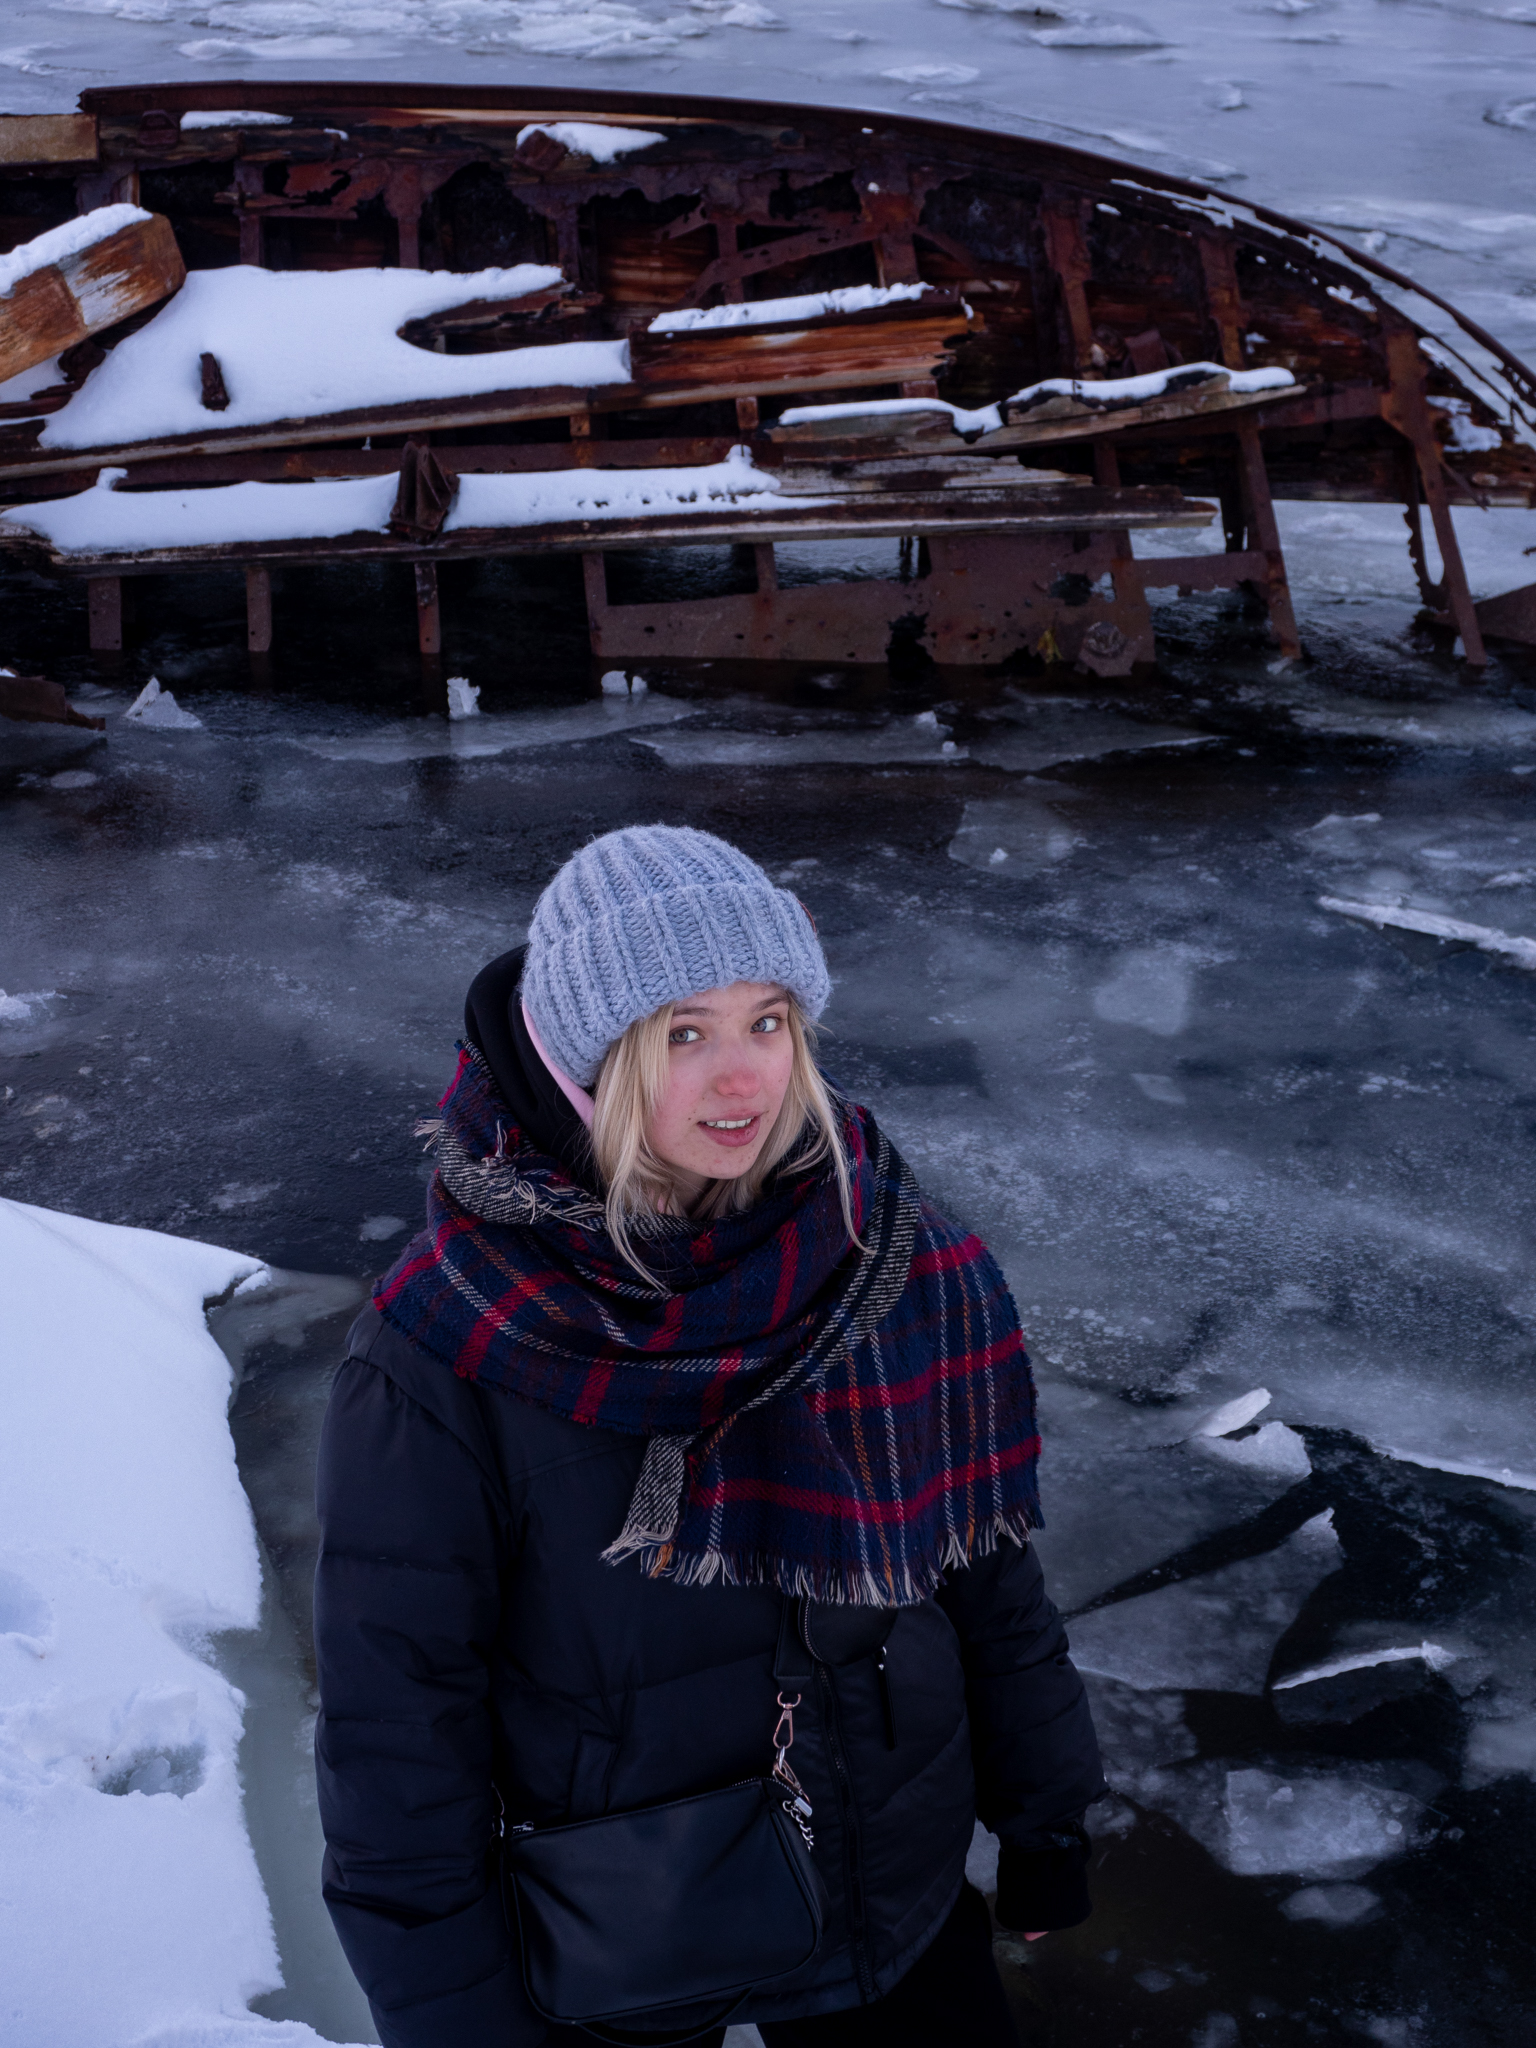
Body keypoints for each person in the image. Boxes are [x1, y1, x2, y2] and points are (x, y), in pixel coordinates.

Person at [313, 824, 1104, 2048]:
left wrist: (1048, 1818)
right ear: (587, 1059)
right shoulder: (446, 1345)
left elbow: (985, 1565)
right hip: (629, 1922)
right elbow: (398, 1734)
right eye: (685, 1033)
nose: (746, 1079)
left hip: (892, 1892)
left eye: (768, 1021)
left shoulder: (885, 1251)